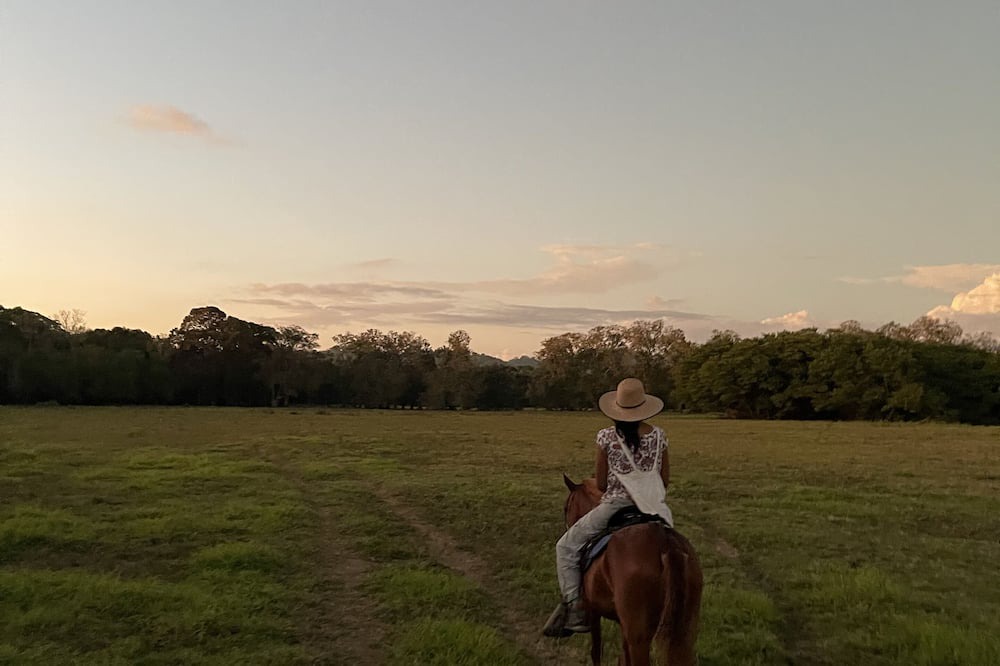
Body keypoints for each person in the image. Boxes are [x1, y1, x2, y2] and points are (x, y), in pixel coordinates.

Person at [542, 377, 673, 637]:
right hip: (655, 509)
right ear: (644, 406)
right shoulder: (659, 436)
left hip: (615, 506)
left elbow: (601, 484)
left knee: (565, 547)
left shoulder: (605, 437)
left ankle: (576, 608)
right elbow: (664, 480)